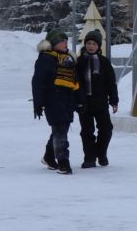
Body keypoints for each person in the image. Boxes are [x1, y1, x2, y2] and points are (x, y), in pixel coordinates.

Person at [31, 27, 79, 175]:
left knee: (60, 129)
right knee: (60, 131)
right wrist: (38, 103)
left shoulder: (68, 59)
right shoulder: (46, 58)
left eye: (66, 40)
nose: (65, 43)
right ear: (53, 43)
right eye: (61, 41)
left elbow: (75, 80)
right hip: (53, 100)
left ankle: (49, 156)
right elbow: (38, 82)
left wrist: (80, 100)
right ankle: (63, 162)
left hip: (67, 100)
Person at [74, 29, 119, 169]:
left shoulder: (104, 62)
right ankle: (89, 158)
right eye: (88, 43)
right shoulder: (79, 62)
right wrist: (77, 100)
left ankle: (101, 153)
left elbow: (111, 82)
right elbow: (74, 83)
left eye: (94, 43)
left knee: (106, 129)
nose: (91, 46)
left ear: (98, 46)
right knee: (87, 131)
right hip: (84, 103)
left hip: (100, 102)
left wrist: (114, 100)